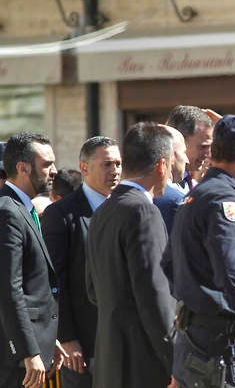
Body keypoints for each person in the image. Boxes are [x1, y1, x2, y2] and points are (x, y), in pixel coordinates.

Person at [168, 113, 235, 388]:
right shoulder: (225, 200)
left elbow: (169, 264)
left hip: (194, 339)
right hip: (215, 345)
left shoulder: (199, 195)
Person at [85, 123, 176, 388]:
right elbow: (154, 296)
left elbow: (92, 290)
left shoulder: (103, 210)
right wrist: (175, 362)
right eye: (170, 165)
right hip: (143, 366)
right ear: (161, 165)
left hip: (108, 361)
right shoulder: (143, 212)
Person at [41, 136, 121, 388]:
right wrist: (66, 336)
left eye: (118, 164)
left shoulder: (126, 208)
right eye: (107, 164)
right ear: (84, 168)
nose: (115, 171)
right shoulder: (62, 214)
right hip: (84, 346)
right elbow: (54, 281)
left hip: (123, 340)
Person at [0, 132, 63, 388]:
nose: (54, 171)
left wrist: (48, 339)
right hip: (17, 360)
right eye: (47, 164)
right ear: (22, 167)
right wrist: (28, 351)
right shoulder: (8, 212)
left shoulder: (24, 208)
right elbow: (9, 288)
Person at [166, 105, 213, 191]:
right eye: (203, 147)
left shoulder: (193, 185)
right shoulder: (159, 188)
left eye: (210, 147)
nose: (208, 154)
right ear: (180, 140)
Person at [153, 126, 190, 233]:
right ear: (171, 156)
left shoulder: (115, 198)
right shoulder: (176, 202)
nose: (187, 161)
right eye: (183, 152)